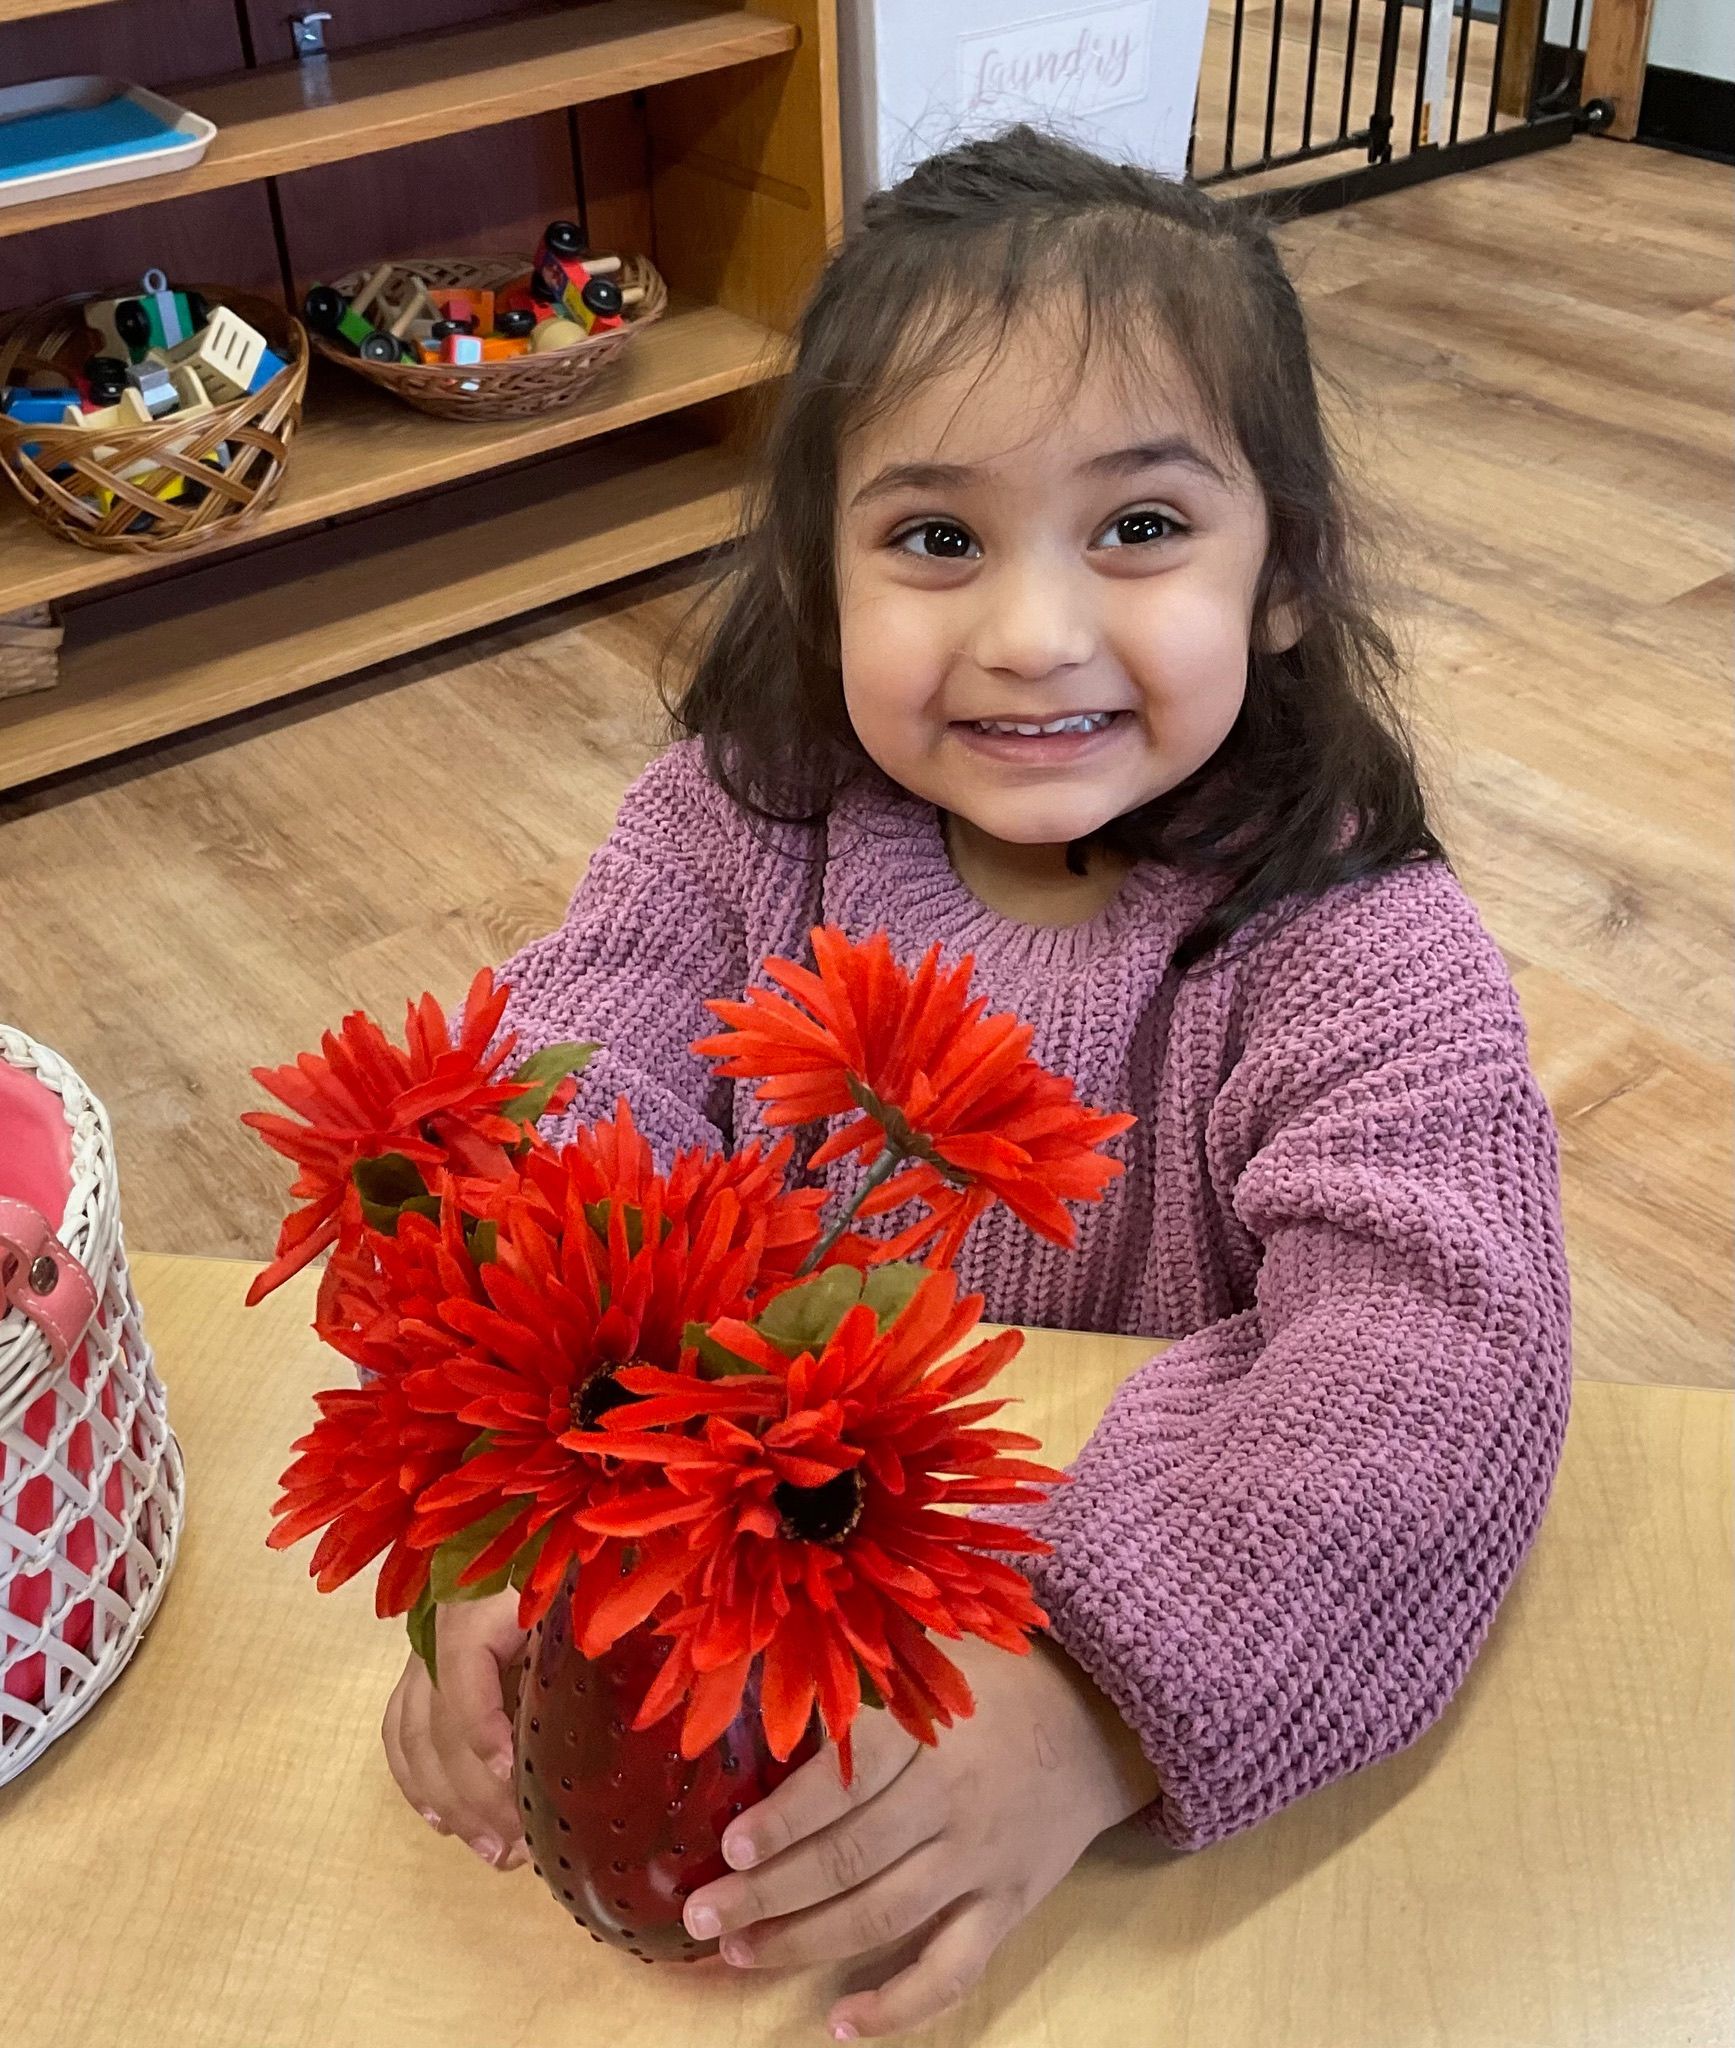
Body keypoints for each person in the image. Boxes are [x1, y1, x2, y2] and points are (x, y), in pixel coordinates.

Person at [378, 123, 1572, 2040]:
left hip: (1097, 1788)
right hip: (725, 1652)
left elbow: (1442, 1362)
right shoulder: (728, 831)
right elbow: (561, 1080)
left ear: (1286, 573)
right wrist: (508, 1492)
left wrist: (1096, 1704)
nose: (1031, 636)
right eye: (936, 539)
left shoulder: (1357, 938)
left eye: (1142, 528)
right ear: (817, 566)